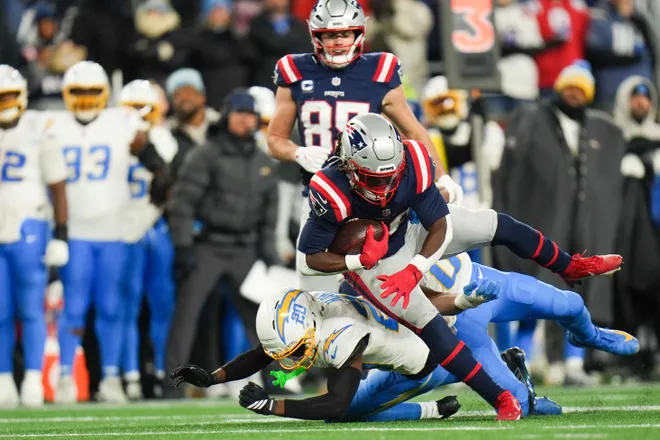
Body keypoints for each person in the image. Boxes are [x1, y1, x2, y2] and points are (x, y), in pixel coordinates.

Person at [168, 259, 637, 421]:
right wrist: (215, 377)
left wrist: (274, 407)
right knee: (522, 405)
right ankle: (472, 392)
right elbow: (264, 353)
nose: (288, 361)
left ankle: (578, 343)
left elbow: (331, 404)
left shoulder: (339, 334)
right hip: (436, 343)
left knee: (568, 306)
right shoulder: (321, 302)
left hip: (451, 320)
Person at [265, 0, 463, 292]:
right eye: (331, 35)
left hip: (375, 203)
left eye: (345, 33)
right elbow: (274, 140)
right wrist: (298, 152)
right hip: (322, 202)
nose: (338, 41)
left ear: (359, 33)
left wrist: (442, 177)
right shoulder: (295, 71)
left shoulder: (380, 70)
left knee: (382, 297)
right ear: (315, 36)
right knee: (318, 299)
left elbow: (414, 132)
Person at [494, 62, 627, 386]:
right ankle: (522, 358)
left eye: (581, 89)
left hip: (581, 227)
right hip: (543, 220)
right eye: (569, 86)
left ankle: (572, 362)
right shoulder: (533, 120)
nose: (574, 93)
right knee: (532, 292)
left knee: (578, 296)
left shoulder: (599, 129)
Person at [52, 61, 170, 403]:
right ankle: (64, 377)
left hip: (114, 232)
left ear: (105, 94)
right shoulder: (52, 125)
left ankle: (111, 377)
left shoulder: (121, 122)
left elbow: (152, 158)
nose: (87, 100)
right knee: (73, 307)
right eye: (79, 92)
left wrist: (159, 172)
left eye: (93, 92)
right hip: (75, 231)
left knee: (111, 309)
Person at [166, 89, 279, 388]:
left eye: (251, 115)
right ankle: (171, 383)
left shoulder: (261, 160)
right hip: (209, 246)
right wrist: (183, 246)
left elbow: (270, 212)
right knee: (186, 313)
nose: (246, 121)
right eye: (240, 114)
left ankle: (278, 380)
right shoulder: (206, 154)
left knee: (264, 319)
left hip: (245, 247)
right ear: (228, 116)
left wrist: (268, 252)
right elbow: (183, 203)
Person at [0, 65, 68, 407]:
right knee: (0, 310)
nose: (4, 104)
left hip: (29, 225)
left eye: (8, 97)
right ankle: (2, 380)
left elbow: (58, 186)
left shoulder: (39, 128)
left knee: (30, 309)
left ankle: (31, 379)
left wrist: (60, 234)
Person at [119, 79, 178, 400]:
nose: (140, 115)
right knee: (124, 306)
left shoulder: (163, 139)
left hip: (153, 227)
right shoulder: (111, 138)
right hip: (121, 227)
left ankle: (158, 372)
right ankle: (127, 374)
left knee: (161, 306)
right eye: (134, 109)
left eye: (147, 109)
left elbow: (166, 188)